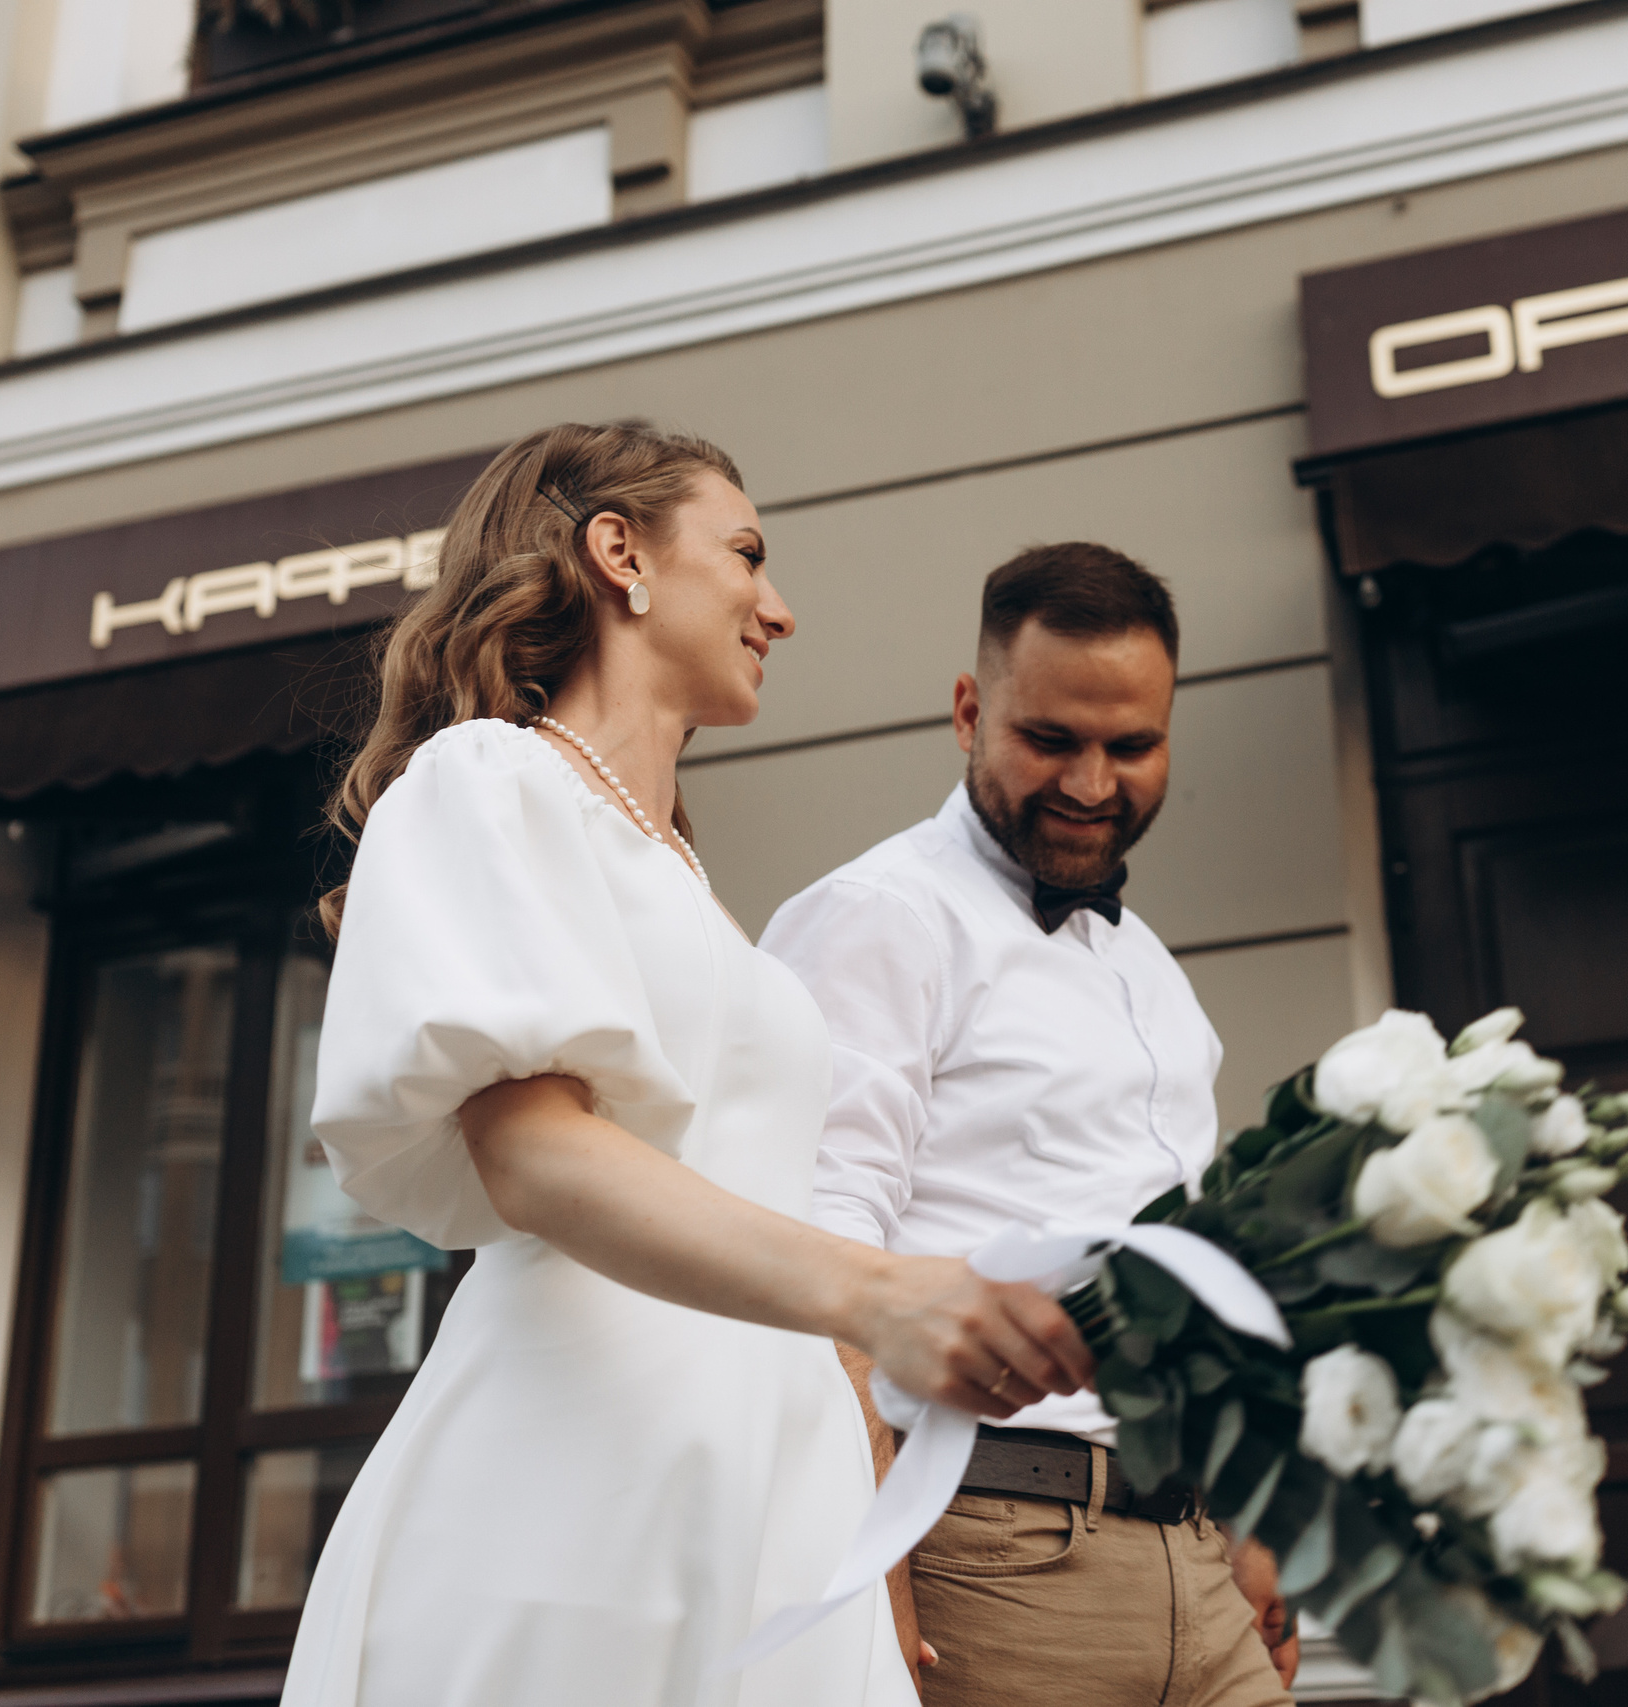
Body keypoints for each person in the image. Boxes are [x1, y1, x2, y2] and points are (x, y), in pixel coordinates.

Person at [280, 423, 1094, 1707]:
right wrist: (881, 1294)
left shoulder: (688, 886)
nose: (780, 608)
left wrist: (863, 1468)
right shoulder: (490, 780)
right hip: (582, 1473)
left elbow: (762, 1195)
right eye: (747, 553)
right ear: (620, 554)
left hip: (783, 1490)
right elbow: (533, 1152)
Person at [762, 543, 1299, 1707]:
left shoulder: (1152, 970)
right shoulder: (877, 920)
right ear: (968, 711)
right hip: (982, 1555)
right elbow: (810, 1249)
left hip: (1199, 1563)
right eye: (1050, 741)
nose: (1093, 785)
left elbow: (1185, 1278)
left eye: (1131, 747)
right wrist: (866, 1565)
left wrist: (1251, 1527)